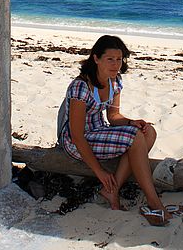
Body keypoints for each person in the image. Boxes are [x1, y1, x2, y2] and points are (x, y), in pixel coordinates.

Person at [60, 34, 176, 225]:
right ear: (96, 59)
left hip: (100, 131)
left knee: (148, 131)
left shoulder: (115, 81)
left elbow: (113, 117)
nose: (116, 64)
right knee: (135, 138)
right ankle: (154, 202)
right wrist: (99, 172)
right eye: (110, 59)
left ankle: (111, 190)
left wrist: (132, 122)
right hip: (76, 141)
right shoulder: (81, 87)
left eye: (119, 59)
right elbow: (77, 135)